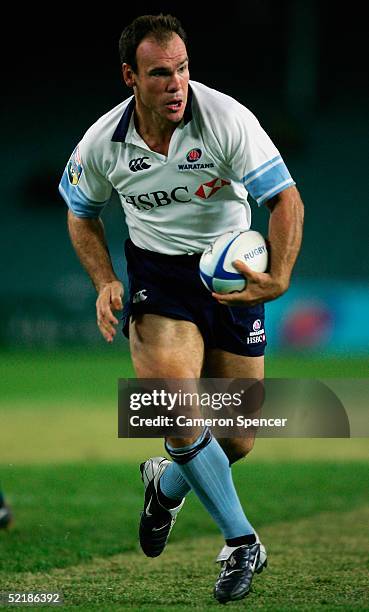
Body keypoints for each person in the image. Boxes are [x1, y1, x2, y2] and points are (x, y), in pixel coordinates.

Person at [59, 14, 304, 604]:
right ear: (130, 77)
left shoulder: (227, 119)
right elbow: (79, 211)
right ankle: (242, 541)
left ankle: (165, 486)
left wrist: (279, 277)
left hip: (230, 275)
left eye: (183, 70)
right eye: (160, 73)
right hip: (159, 276)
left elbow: (284, 199)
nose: (176, 84)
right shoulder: (101, 143)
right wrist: (103, 280)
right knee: (174, 404)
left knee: (237, 439)